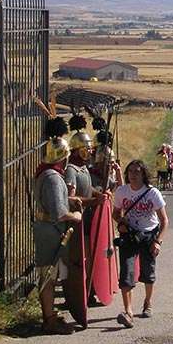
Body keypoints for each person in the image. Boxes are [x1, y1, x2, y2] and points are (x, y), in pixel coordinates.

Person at [33, 135, 84, 334]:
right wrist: (76, 215)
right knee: (48, 276)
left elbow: (56, 203)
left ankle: (50, 315)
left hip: (48, 229)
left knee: (50, 275)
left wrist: (69, 200)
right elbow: (59, 213)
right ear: (63, 157)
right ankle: (49, 320)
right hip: (50, 232)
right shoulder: (53, 178)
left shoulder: (48, 174)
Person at [112, 159, 169, 328]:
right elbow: (116, 213)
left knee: (148, 272)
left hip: (149, 235)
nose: (133, 175)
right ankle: (128, 312)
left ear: (143, 174)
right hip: (129, 235)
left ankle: (147, 303)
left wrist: (158, 241)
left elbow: (164, 221)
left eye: (137, 172)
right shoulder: (122, 191)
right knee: (126, 272)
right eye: (130, 172)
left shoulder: (153, 193)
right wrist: (121, 222)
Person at [64, 123, 105, 305]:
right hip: (78, 221)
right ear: (77, 150)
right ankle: (83, 293)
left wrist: (100, 194)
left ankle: (90, 289)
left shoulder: (83, 168)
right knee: (82, 258)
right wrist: (94, 201)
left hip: (90, 219)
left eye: (90, 148)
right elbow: (72, 198)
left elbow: (88, 189)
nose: (89, 152)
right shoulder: (71, 170)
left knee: (91, 256)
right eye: (86, 149)